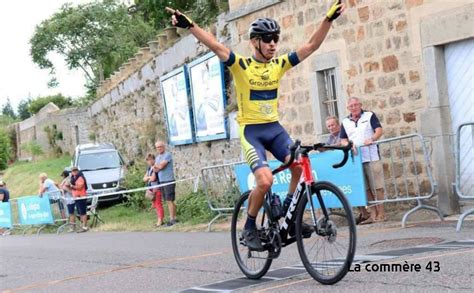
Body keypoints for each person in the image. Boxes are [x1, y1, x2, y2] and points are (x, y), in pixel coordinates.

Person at [167, 1, 345, 250]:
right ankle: (249, 225)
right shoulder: (241, 66)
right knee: (264, 181)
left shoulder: (279, 65)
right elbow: (216, 45)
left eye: (276, 38)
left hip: (274, 128)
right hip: (252, 132)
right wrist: (190, 26)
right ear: (254, 42)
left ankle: (289, 213)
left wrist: (328, 19)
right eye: (267, 38)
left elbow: (311, 46)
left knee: (299, 166)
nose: (273, 43)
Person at [340, 97, 386, 224]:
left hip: (372, 156)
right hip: (356, 158)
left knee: (377, 186)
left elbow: (379, 130)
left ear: (360, 105)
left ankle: (381, 213)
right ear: (348, 108)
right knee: (365, 188)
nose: (354, 107)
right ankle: (373, 214)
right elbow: (343, 139)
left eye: (356, 105)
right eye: (351, 106)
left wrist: (372, 138)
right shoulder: (345, 121)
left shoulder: (369, 115)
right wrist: (348, 144)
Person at [154, 141, 177, 226]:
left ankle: (172, 219)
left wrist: (157, 166)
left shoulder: (167, 155)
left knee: (169, 200)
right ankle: (174, 217)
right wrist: (157, 167)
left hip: (169, 180)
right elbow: (155, 169)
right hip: (162, 181)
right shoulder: (157, 157)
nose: (159, 148)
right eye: (157, 147)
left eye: (160, 146)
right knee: (168, 200)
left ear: (163, 146)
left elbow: (160, 167)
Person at [144, 153, 164, 227]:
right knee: (155, 205)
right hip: (151, 189)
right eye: (147, 160)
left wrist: (148, 178)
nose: (149, 161)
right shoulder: (149, 168)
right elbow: (144, 179)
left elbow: (153, 178)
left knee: (158, 204)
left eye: (150, 160)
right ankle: (159, 219)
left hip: (157, 188)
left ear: (153, 159)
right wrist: (149, 177)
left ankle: (160, 221)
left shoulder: (155, 167)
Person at [70, 166, 89, 232]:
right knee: (80, 213)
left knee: (83, 212)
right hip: (77, 197)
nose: (74, 172)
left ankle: (85, 227)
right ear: (71, 172)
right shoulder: (73, 178)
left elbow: (79, 187)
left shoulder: (80, 177)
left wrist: (72, 186)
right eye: (73, 171)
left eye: (76, 170)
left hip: (81, 197)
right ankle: (82, 226)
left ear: (78, 171)